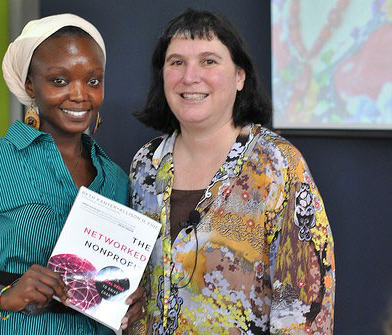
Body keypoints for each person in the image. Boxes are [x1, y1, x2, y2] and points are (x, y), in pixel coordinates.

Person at [0, 14, 143, 335]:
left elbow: (111, 278)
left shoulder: (116, 178)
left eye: (93, 81)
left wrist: (128, 298)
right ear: (30, 85)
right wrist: (5, 296)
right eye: (59, 81)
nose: (80, 94)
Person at [127, 9, 335, 335]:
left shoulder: (277, 165)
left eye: (209, 61)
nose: (190, 76)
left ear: (240, 76)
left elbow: (305, 306)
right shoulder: (146, 165)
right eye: (177, 62)